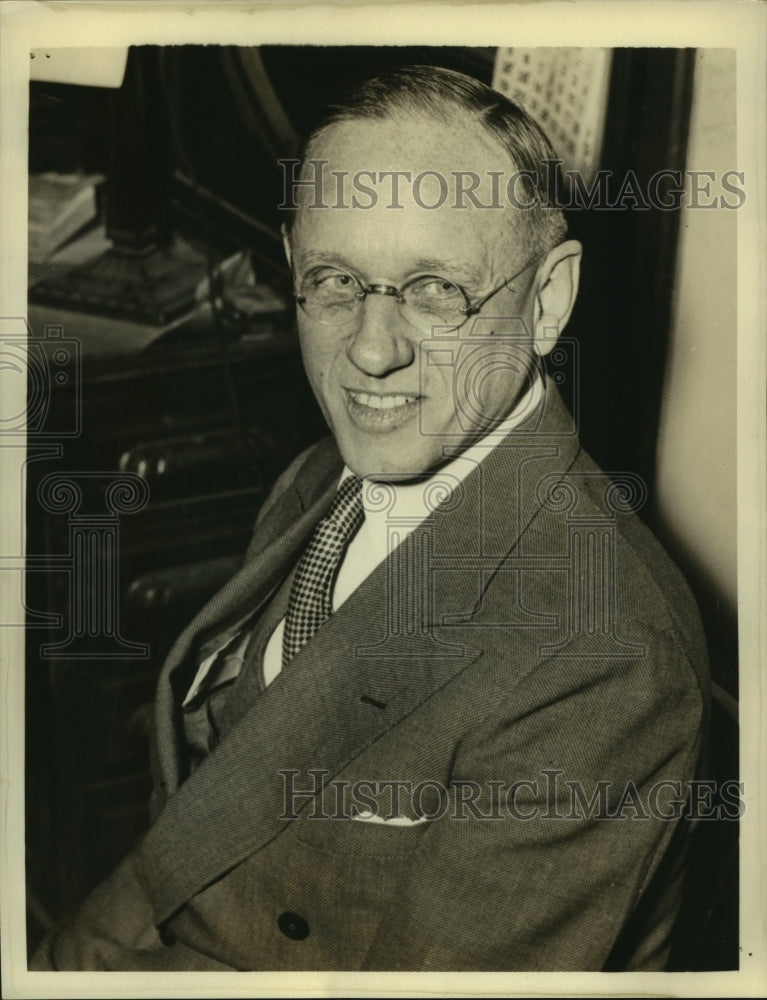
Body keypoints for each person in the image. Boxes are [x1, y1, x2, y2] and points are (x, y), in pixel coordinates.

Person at [31, 64, 709, 972]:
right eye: (337, 279)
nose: (370, 352)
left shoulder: (603, 662)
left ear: (546, 300)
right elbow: (195, 833)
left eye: (434, 289)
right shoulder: (321, 477)